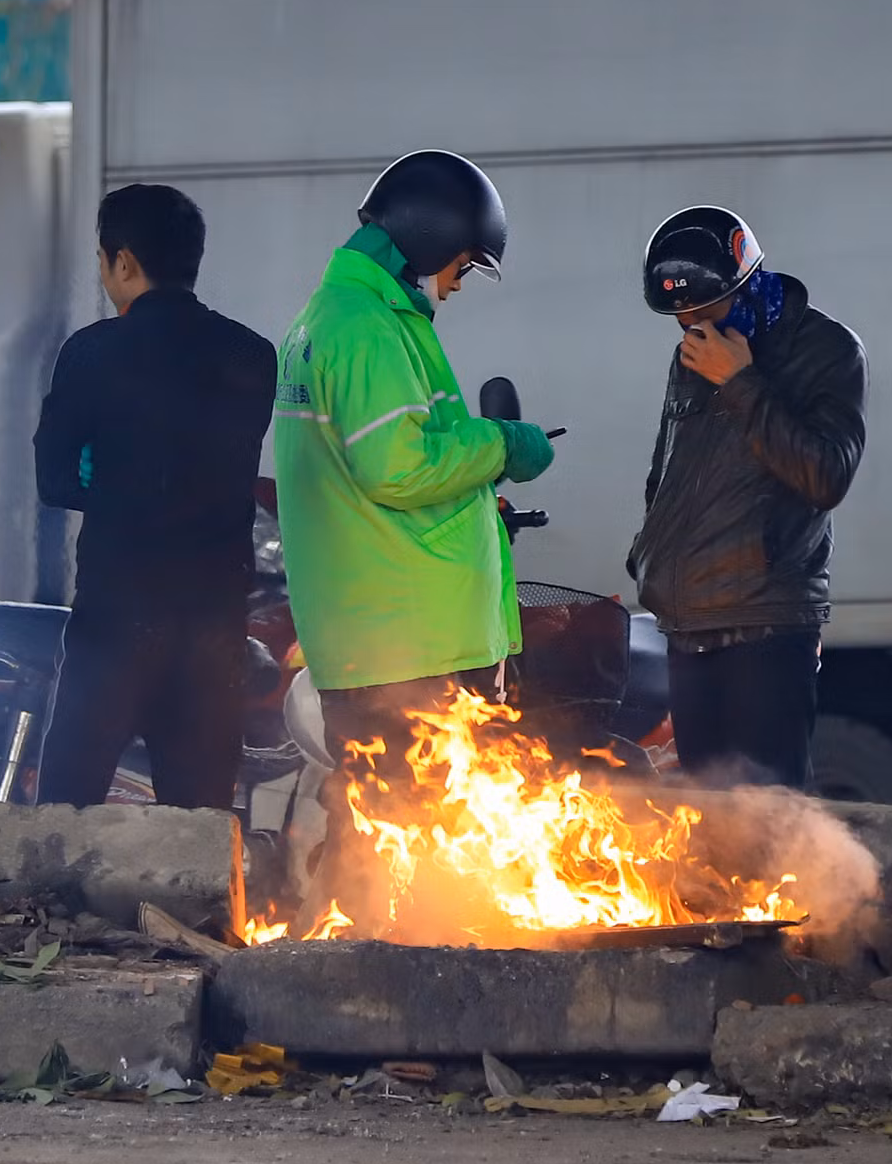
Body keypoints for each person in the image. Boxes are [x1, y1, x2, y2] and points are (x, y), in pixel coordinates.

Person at [273, 149, 556, 786]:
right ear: (431, 241)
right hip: (411, 648)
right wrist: (502, 444)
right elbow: (396, 469)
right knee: (427, 843)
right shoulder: (365, 327)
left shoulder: (332, 319)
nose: (457, 283)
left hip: (385, 637)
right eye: (463, 264)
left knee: (388, 841)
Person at [31, 184, 275, 810]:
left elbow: (53, 480)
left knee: (68, 811)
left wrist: (107, 478)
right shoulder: (252, 354)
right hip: (212, 625)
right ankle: (204, 912)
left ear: (125, 261)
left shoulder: (91, 352)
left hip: (116, 618)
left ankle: (60, 911)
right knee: (200, 823)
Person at [626, 206, 868, 789]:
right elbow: (670, 469)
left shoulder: (827, 349)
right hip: (688, 618)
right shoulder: (694, 346)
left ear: (745, 280)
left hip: (765, 621)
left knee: (766, 824)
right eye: (677, 313)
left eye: (701, 306)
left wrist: (739, 383)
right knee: (702, 825)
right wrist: (650, 555)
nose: (689, 321)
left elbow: (827, 477)